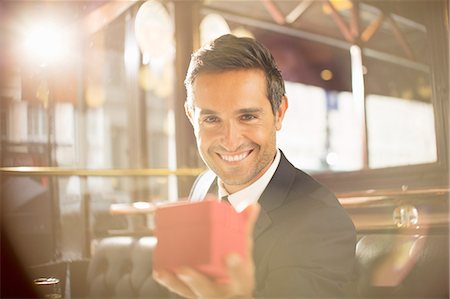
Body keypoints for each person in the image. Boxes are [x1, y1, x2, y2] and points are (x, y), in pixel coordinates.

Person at [153, 34, 356, 298]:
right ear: (192, 117)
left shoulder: (321, 220)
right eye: (212, 119)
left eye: (247, 116)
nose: (230, 140)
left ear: (279, 112)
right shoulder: (203, 185)